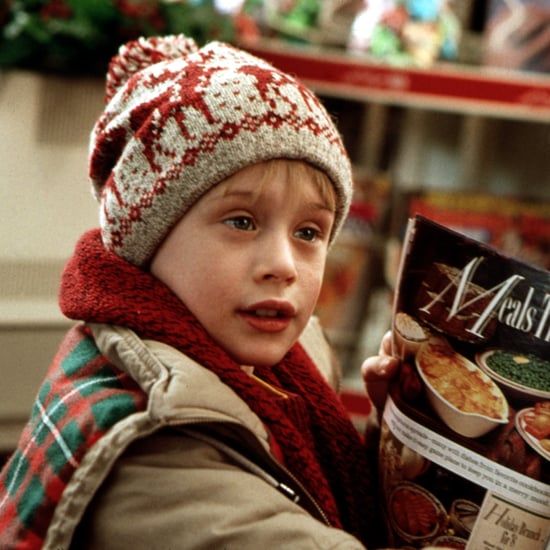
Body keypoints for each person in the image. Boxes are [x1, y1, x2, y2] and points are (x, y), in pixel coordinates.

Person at [0, 34, 394, 549]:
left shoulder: (283, 374)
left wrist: (408, 442)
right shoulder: (154, 444)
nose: (283, 266)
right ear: (148, 238)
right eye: (242, 221)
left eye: (309, 232)